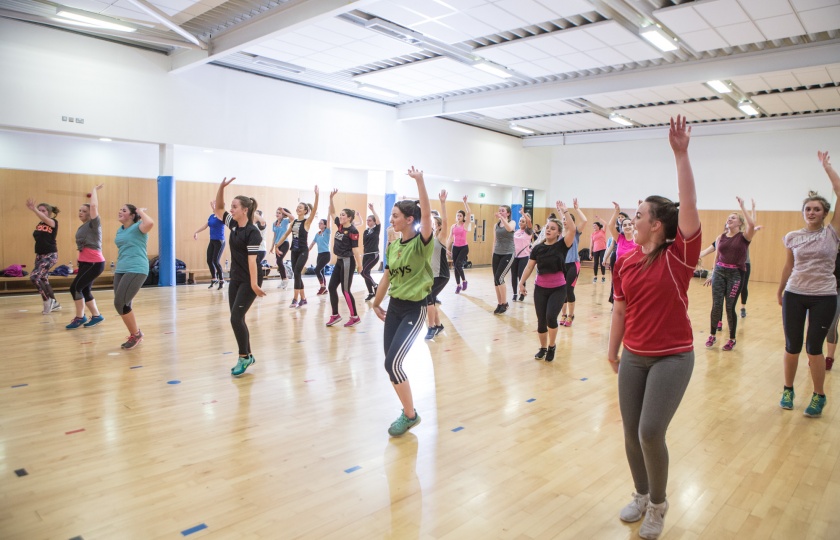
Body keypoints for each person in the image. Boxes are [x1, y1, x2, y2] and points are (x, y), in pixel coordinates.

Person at [608, 116, 701, 540]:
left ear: (657, 224)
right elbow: (620, 311)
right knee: (630, 432)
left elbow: (687, 203)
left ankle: (659, 505)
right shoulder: (624, 260)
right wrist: (613, 351)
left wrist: (681, 154)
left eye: (640, 213)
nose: (634, 218)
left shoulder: (679, 254)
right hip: (634, 355)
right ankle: (642, 493)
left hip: (673, 355)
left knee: (650, 431)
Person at [777, 151, 840, 418]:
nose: (811, 212)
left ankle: (818, 395)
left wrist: (827, 168)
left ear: (825, 212)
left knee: (813, 347)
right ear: (803, 212)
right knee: (792, 345)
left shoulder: (832, 233)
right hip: (794, 293)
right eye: (808, 209)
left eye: (816, 209)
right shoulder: (792, 236)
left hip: (824, 296)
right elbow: (789, 265)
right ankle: (788, 389)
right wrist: (780, 290)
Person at [372, 166, 434, 437]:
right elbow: (386, 276)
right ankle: (407, 412)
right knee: (390, 362)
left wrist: (420, 182)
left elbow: (428, 216)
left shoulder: (422, 243)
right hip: (395, 308)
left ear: (409, 219)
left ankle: (410, 415)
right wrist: (375, 302)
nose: (391, 219)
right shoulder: (394, 245)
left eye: (395, 215)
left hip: (414, 310)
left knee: (392, 364)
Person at [213, 177, 266, 376]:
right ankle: (247, 355)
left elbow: (253, 262)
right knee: (237, 318)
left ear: (245, 210)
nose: (231, 210)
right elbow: (219, 209)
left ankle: (244, 357)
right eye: (232, 206)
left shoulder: (253, 232)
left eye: (235, 207)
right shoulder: (234, 225)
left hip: (249, 279)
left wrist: (254, 284)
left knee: (236, 318)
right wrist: (221, 187)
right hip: (235, 279)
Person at [518, 206, 577, 361]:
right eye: (547, 228)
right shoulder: (538, 248)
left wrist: (565, 212)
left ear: (558, 232)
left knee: (551, 317)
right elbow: (530, 266)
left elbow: (572, 229)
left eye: (553, 228)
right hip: (540, 289)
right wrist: (522, 282)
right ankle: (543, 348)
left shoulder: (562, 245)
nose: (549, 230)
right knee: (541, 321)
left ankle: (552, 346)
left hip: (558, 288)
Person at [701, 198, 756, 351]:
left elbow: (752, 224)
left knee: (730, 307)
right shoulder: (721, 237)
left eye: (733, 218)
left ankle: (731, 338)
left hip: (735, 275)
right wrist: (712, 274)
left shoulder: (744, 237)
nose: (729, 219)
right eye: (728, 218)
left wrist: (743, 207)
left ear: (740, 223)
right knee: (716, 304)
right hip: (719, 272)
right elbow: (717, 256)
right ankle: (712, 335)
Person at [114, 203, 155, 349]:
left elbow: (150, 222)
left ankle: (136, 334)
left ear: (132, 215)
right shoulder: (120, 230)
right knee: (123, 305)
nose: (120, 211)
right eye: (120, 209)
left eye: (123, 210)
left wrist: (140, 211)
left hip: (136, 268)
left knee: (120, 303)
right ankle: (135, 334)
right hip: (121, 269)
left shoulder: (139, 227)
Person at [66, 183, 106, 329]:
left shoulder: (93, 224)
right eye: (79, 210)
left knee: (75, 288)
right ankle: (96, 316)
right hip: (85, 263)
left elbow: (94, 206)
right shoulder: (82, 226)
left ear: (90, 213)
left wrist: (94, 190)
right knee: (84, 289)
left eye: (84, 211)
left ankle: (80, 317)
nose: (80, 212)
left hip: (94, 263)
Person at [276, 187, 319, 307]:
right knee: (297, 274)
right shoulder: (294, 222)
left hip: (303, 251)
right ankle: (303, 298)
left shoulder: (307, 222)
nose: (298, 209)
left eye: (300, 207)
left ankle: (295, 299)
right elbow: (285, 235)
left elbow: (314, 210)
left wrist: (317, 196)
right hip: (294, 251)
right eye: (297, 207)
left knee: (296, 272)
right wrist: (276, 245)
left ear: (305, 211)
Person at [326, 189, 363, 327]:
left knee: (345, 290)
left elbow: (355, 249)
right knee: (331, 287)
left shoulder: (353, 230)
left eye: (343, 215)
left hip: (348, 261)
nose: (340, 216)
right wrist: (331, 198)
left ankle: (355, 316)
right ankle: (335, 315)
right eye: (340, 215)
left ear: (349, 218)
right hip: (339, 261)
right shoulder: (340, 226)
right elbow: (332, 212)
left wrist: (360, 265)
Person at [27, 198, 61, 314]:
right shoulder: (39, 224)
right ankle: (55, 303)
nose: (41, 212)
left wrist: (34, 209)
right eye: (40, 210)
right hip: (40, 256)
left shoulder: (53, 222)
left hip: (50, 254)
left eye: (43, 210)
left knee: (34, 277)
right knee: (43, 279)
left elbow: (45, 219)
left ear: (49, 213)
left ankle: (47, 301)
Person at [425, 190, 450, 339]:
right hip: (432, 274)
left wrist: (442, 203)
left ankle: (431, 327)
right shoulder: (431, 238)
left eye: (435, 223)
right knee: (431, 300)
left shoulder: (441, 237)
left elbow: (446, 221)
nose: (433, 225)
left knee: (429, 299)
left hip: (442, 274)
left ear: (439, 226)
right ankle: (439, 325)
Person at [559, 199, 588, 326]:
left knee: (569, 290)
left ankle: (570, 315)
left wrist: (576, 209)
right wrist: (561, 211)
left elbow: (585, 221)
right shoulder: (560, 233)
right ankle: (563, 314)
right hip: (561, 265)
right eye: (564, 219)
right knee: (562, 290)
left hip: (573, 265)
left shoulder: (575, 232)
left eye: (567, 219)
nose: (565, 221)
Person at [606, 205, 636, 305]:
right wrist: (616, 212)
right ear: (621, 227)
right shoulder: (619, 238)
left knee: (631, 300)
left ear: (633, 226)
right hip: (620, 273)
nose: (627, 227)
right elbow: (610, 225)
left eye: (629, 225)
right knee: (619, 301)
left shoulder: (638, 239)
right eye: (624, 225)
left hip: (634, 274)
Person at [194, 200, 227, 290]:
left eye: (216, 205)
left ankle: (222, 280)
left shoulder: (222, 216)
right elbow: (206, 225)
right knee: (209, 260)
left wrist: (214, 207)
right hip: (212, 241)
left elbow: (221, 218)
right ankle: (214, 278)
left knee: (216, 261)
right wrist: (196, 232)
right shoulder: (211, 216)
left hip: (220, 241)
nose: (214, 206)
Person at [491, 205, 515, 314]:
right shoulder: (496, 225)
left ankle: (505, 303)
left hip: (508, 254)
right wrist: (492, 254)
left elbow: (509, 229)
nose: (500, 212)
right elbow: (494, 240)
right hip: (497, 254)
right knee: (496, 280)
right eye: (499, 210)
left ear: (508, 213)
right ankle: (500, 303)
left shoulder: (512, 222)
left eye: (503, 211)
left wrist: (503, 219)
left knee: (499, 277)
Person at [447, 196, 473, 293]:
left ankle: (464, 281)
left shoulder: (465, 225)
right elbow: (450, 238)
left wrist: (465, 202)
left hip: (464, 248)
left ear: (463, 217)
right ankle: (458, 285)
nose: (458, 217)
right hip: (455, 247)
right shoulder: (453, 226)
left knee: (458, 264)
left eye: (460, 216)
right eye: (457, 215)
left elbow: (469, 213)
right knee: (455, 266)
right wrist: (446, 249)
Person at [510, 212, 533, 302]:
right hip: (514, 256)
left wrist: (524, 213)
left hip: (524, 256)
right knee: (513, 276)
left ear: (526, 223)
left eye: (523, 221)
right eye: (520, 221)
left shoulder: (528, 231)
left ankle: (522, 293)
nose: (520, 223)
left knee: (521, 276)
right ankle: (515, 293)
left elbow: (530, 223)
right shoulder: (516, 232)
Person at [361, 203, 382, 301]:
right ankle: (370, 292)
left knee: (364, 272)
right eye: (367, 220)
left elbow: (379, 221)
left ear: (374, 222)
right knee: (366, 274)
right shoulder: (366, 231)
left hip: (373, 255)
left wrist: (373, 210)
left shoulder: (376, 229)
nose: (368, 222)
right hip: (366, 255)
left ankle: (375, 285)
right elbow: (364, 244)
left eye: (370, 220)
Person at [308, 218, 331, 295]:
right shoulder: (317, 234)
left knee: (317, 270)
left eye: (321, 223)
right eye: (319, 223)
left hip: (326, 254)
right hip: (320, 255)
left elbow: (329, 220)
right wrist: (307, 251)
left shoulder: (327, 231)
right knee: (321, 272)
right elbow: (312, 243)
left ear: (325, 225)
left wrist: (329, 212)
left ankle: (322, 287)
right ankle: (324, 288)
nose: (319, 224)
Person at [272, 207, 291, 289]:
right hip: (277, 245)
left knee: (279, 260)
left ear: (283, 215)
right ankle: (283, 280)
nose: (277, 214)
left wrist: (284, 212)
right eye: (276, 213)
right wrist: (272, 246)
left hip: (285, 243)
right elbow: (274, 236)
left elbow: (292, 218)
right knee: (279, 262)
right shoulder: (274, 223)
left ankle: (285, 279)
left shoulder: (285, 221)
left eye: (279, 213)